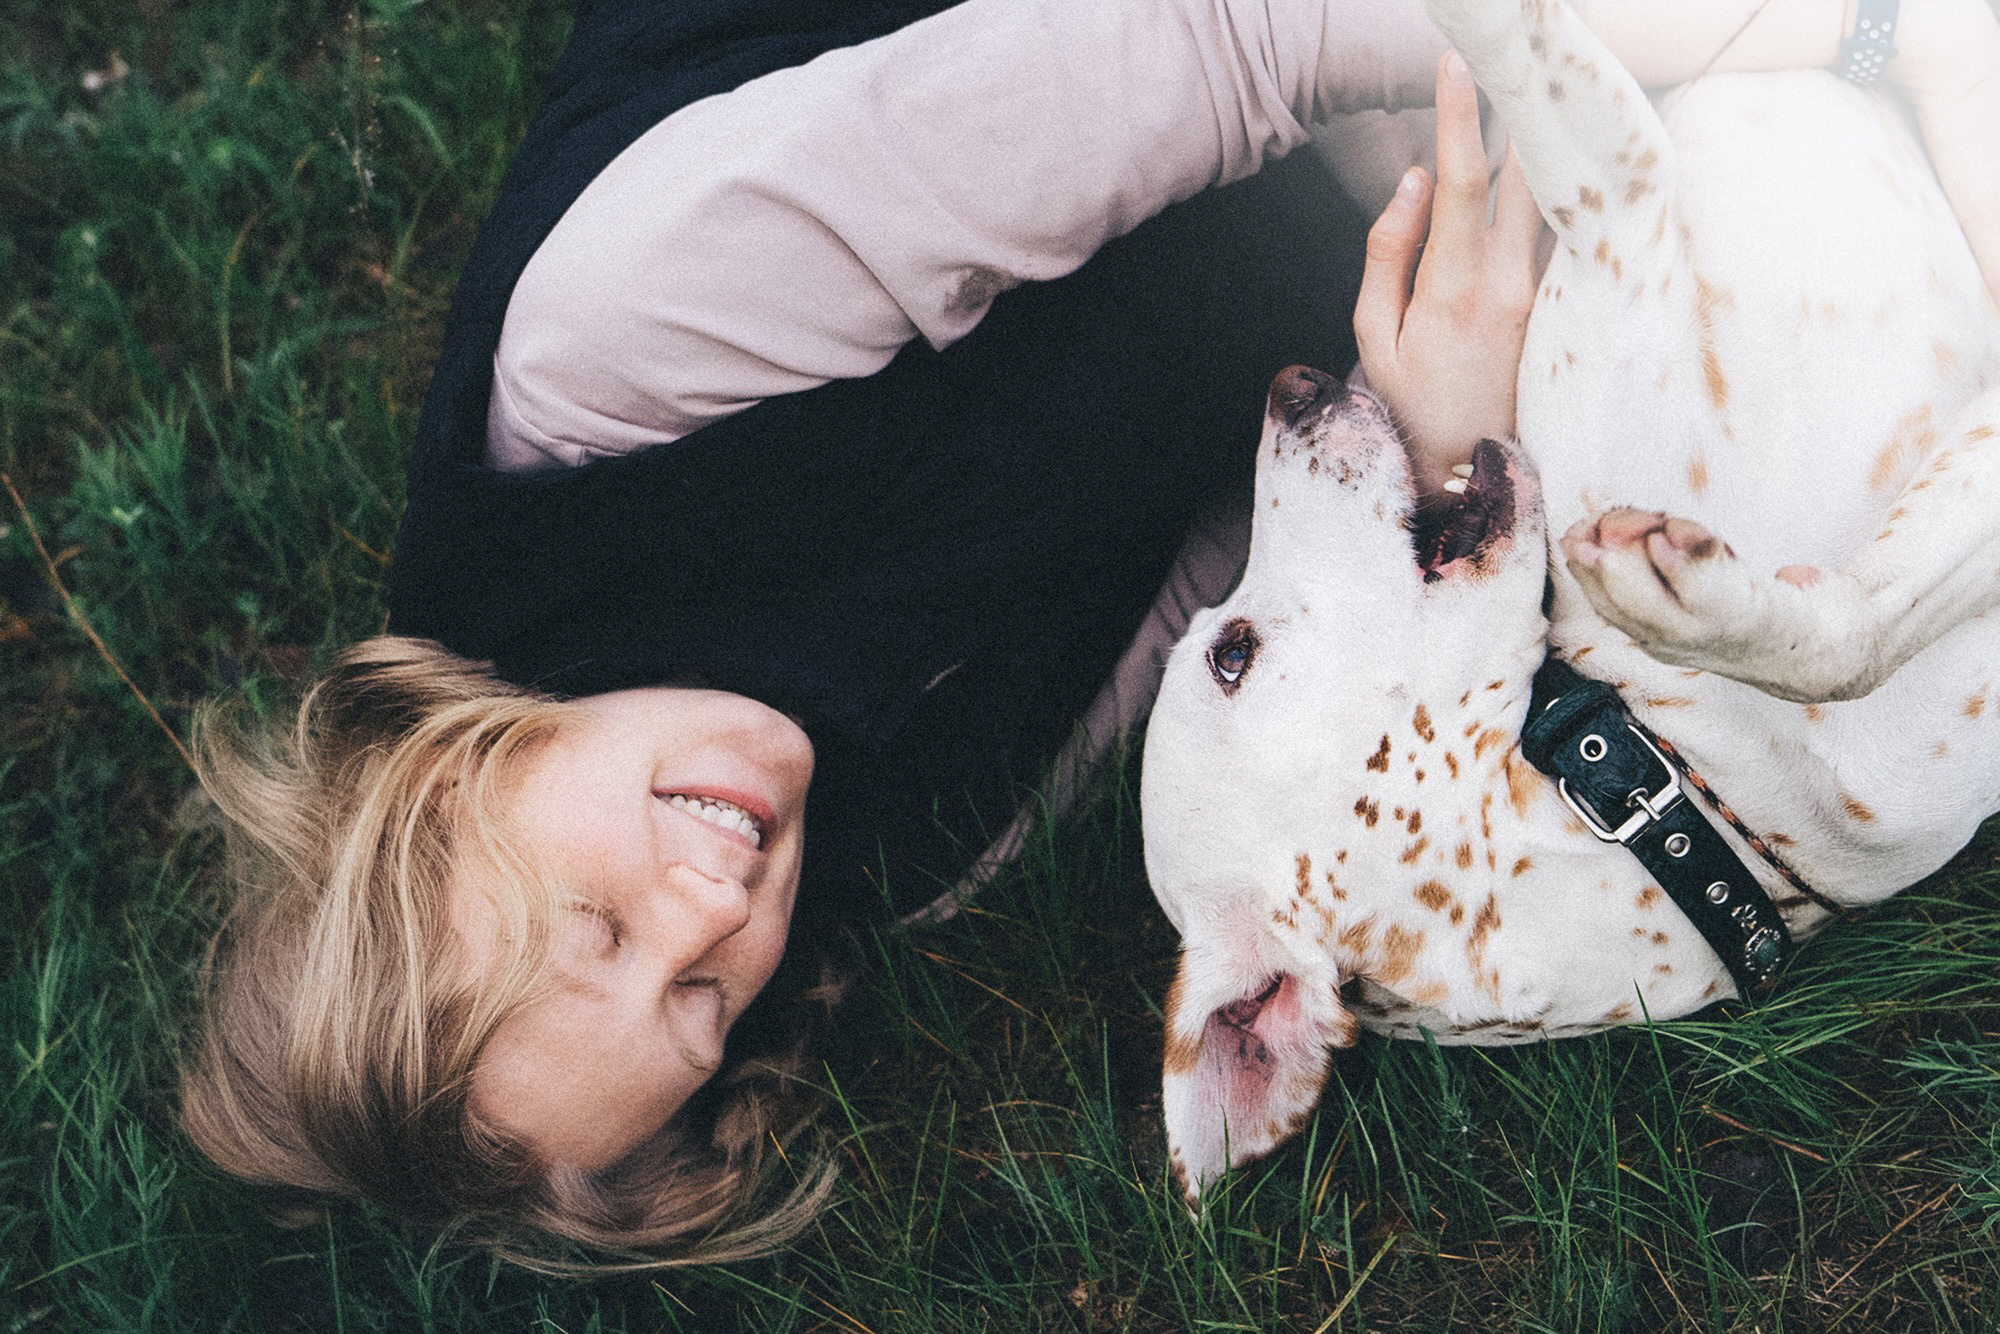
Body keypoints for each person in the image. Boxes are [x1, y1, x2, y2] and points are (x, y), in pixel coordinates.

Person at [179, 0, 2000, 1270]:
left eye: (596, 923)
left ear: (452, 774)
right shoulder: (925, 845)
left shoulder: (611, 361)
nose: (713, 912)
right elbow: (1255, 569)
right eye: (696, 1003)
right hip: (1283, 193)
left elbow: (1219, 36)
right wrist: (1433, 409)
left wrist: (1824, 27)